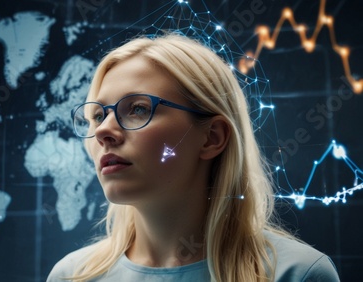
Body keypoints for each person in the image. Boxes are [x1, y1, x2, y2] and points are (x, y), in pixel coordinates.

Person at [47, 34, 340, 281]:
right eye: (98, 115)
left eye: (137, 108)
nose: (104, 131)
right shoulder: (72, 275)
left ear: (212, 137)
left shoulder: (297, 274)